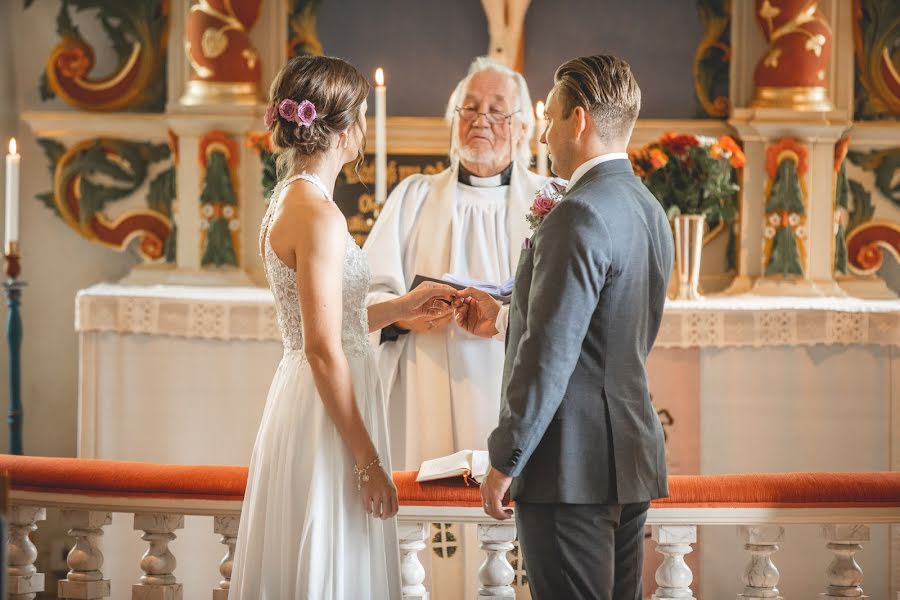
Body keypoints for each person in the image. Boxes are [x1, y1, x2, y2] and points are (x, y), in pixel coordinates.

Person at [229, 55, 456, 599]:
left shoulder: (293, 200)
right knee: (332, 560)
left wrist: (402, 306)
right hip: (327, 413)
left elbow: (333, 320)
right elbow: (324, 349)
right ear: (347, 128)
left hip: (309, 400)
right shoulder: (320, 215)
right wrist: (368, 461)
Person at [456, 55, 675, 600]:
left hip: (569, 467)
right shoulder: (648, 208)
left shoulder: (576, 213)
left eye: (550, 118)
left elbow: (547, 356)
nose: (545, 134)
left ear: (578, 121)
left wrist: (506, 459)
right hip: (629, 457)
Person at [363, 56, 552, 599]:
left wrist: (503, 318)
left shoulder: (551, 202)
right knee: (434, 551)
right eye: (469, 109)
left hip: (514, 388)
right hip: (429, 377)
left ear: (521, 129)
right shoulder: (414, 197)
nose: (479, 121)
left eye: (496, 111)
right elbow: (368, 297)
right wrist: (408, 312)